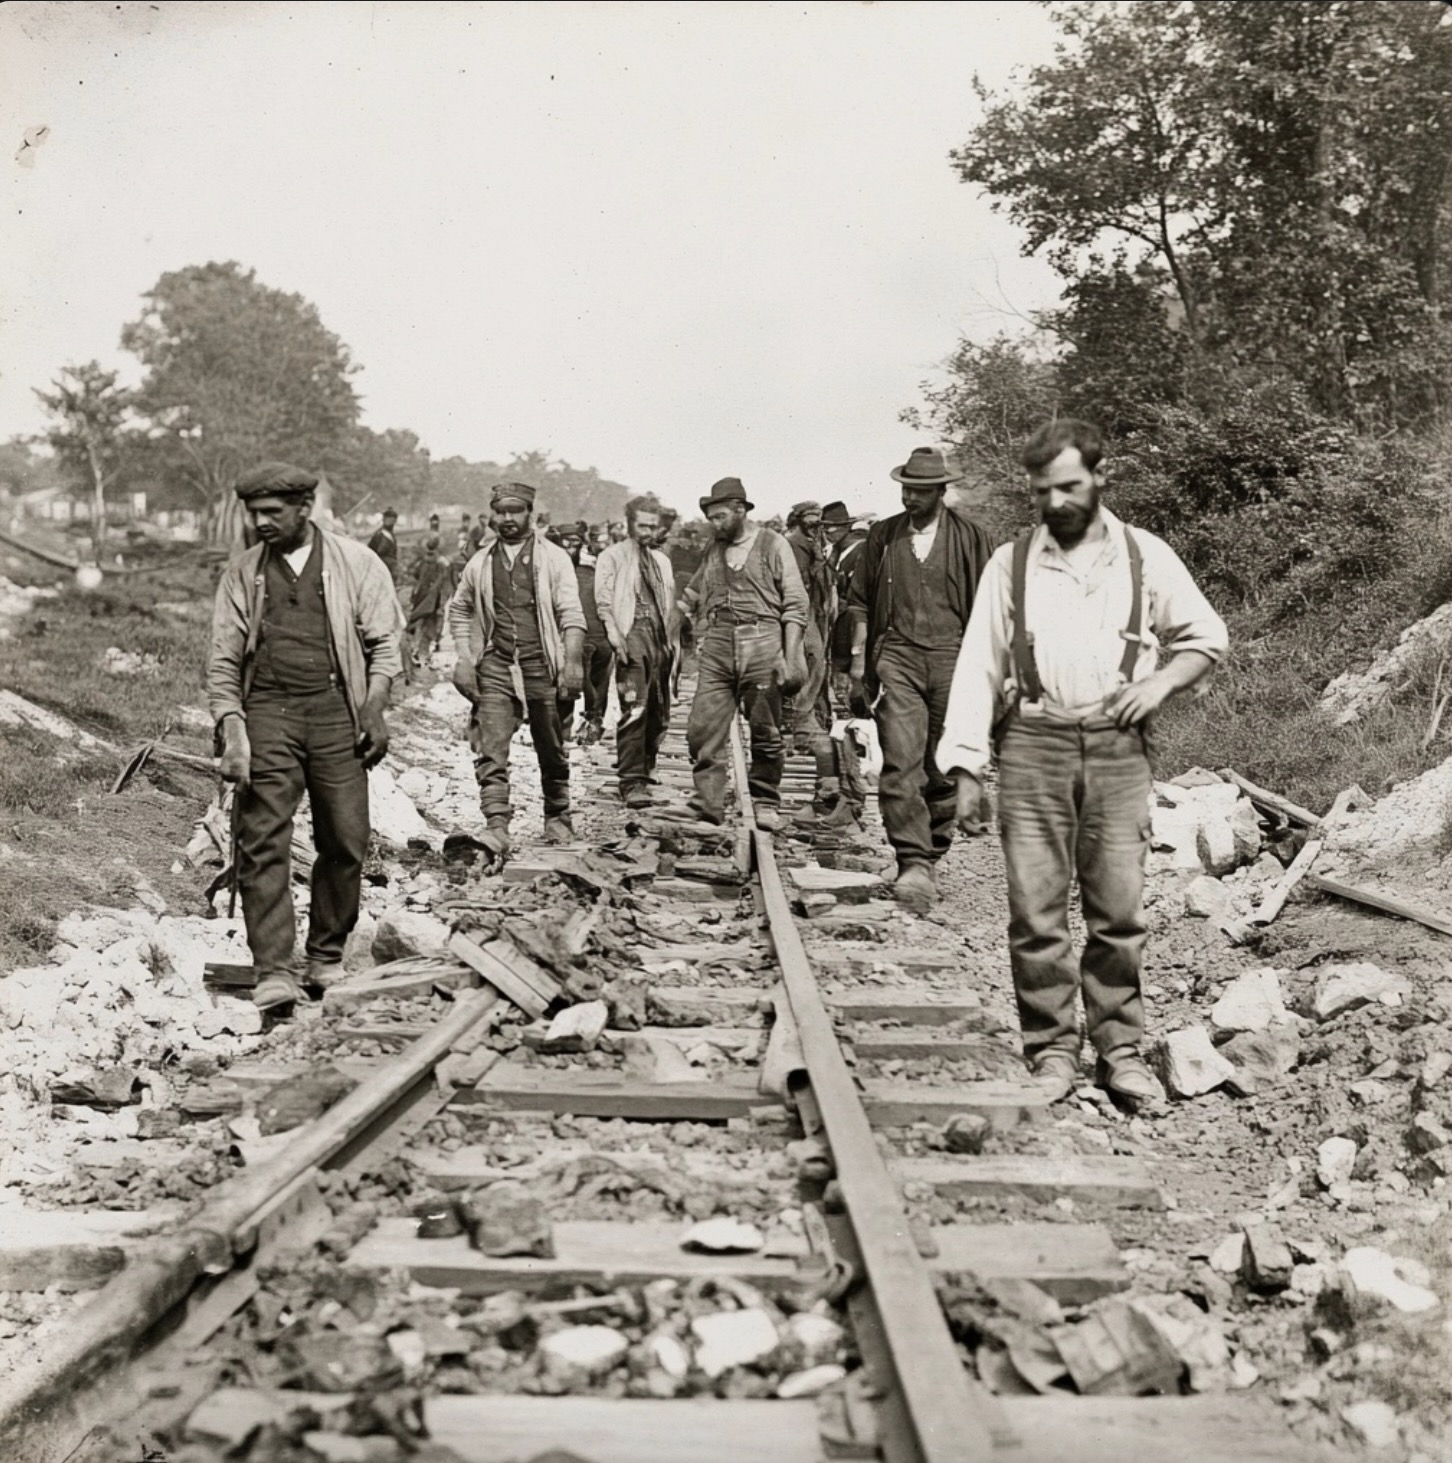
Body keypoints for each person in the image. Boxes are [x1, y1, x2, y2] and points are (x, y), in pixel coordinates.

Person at [937, 419, 1229, 1107]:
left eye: (1070, 486)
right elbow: (979, 665)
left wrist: (1158, 683)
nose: (1057, 502)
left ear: (1101, 477)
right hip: (1033, 746)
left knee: (1118, 908)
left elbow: (1206, 636)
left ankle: (1120, 1048)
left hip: (1117, 748)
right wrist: (968, 767)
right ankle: (1051, 1051)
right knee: (1035, 911)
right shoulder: (1010, 564)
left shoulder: (1144, 556)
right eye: (1043, 491)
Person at [208, 463, 400, 1013]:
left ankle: (325, 955)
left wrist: (374, 707)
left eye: (273, 513)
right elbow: (223, 660)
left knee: (345, 837)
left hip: (337, 710)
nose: (261, 523)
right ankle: (272, 968)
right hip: (269, 710)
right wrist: (233, 727)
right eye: (254, 513)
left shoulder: (356, 563)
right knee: (261, 837)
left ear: (304, 509)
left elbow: (386, 645)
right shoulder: (243, 573)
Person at [848, 447, 994, 911]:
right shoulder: (883, 536)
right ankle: (912, 861)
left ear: (940, 492)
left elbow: (993, 613)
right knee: (899, 765)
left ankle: (932, 851)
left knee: (943, 767)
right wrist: (856, 663)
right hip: (898, 657)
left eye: (921, 491)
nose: (911, 498)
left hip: (955, 660)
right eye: (907, 489)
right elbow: (858, 602)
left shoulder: (973, 540)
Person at [446, 482, 585, 849]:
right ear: (492, 514)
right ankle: (495, 823)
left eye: (516, 511)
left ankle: (557, 816)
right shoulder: (479, 562)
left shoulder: (553, 558)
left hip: (542, 663)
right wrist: (463, 656)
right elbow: (459, 608)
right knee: (490, 746)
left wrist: (572, 663)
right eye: (501, 511)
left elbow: (571, 613)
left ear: (530, 514)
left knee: (551, 745)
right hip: (497, 664)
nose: (508, 518)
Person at [681, 478, 808, 831]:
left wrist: (791, 654)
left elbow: (796, 604)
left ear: (740, 510)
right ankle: (708, 804)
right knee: (702, 727)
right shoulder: (715, 548)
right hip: (720, 640)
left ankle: (765, 799)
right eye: (711, 518)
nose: (715, 524)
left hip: (763, 638)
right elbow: (694, 589)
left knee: (765, 728)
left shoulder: (773, 544)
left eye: (720, 516)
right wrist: (676, 621)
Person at [595, 496, 676, 808]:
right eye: (642, 525)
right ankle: (631, 780)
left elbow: (667, 604)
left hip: (659, 641)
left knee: (658, 711)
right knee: (635, 709)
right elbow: (604, 603)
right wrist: (616, 638)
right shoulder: (612, 557)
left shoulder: (662, 561)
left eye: (653, 526)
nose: (648, 531)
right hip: (631, 637)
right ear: (630, 524)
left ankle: (647, 766)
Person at [557, 520, 614, 745]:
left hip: (593, 636)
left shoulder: (584, 571)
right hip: (582, 636)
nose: (571, 547)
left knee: (586, 687)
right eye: (567, 542)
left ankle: (577, 732)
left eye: (574, 542)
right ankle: (577, 731)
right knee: (583, 687)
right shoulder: (590, 571)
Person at [405, 533, 455, 667]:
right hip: (434, 598)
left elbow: (415, 575)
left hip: (421, 596)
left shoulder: (422, 561)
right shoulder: (442, 562)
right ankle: (424, 653)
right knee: (431, 626)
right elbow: (446, 582)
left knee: (419, 624)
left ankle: (418, 651)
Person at [367, 507, 401, 582]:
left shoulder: (386, 534)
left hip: (388, 566)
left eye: (392, 519)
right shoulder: (380, 534)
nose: (390, 521)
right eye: (388, 519)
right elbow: (376, 550)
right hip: (382, 566)